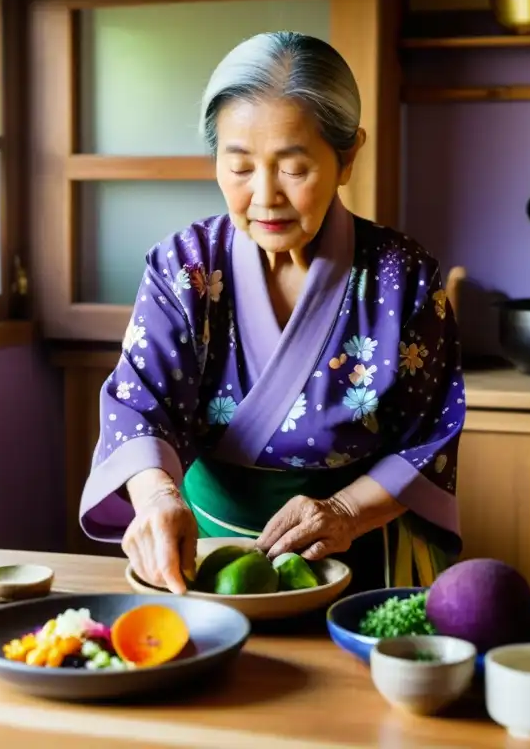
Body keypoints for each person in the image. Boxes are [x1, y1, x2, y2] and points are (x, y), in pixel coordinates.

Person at [79, 31, 466, 595]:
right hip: (210, 559)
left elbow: (429, 435)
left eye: (292, 168)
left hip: (358, 557)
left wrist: (343, 511)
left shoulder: (402, 277)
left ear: (347, 156)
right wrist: (159, 498)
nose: (264, 195)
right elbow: (137, 404)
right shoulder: (182, 269)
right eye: (239, 167)